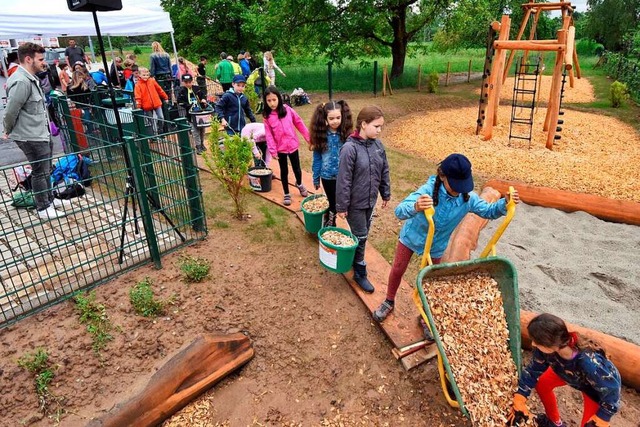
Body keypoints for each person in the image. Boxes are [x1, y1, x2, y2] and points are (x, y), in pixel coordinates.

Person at [372, 153, 519, 323]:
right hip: (412, 237)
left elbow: (488, 211)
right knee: (398, 269)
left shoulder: (467, 198)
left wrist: (504, 203)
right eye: (455, 185)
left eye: (462, 185)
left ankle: (425, 315)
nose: (458, 190)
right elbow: (399, 211)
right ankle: (389, 300)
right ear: (442, 176)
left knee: (431, 279)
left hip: (436, 245)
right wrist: (416, 206)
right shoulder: (428, 190)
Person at [506, 313, 621, 427]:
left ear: (548, 344)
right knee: (542, 383)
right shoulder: (546, 350)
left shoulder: (589, 363)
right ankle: (555, 422)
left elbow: (612, 390)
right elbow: (533, 371)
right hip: (568, 372)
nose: (533, 344)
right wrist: (520, 397)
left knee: (589, 424)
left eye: (536, 341)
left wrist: (603, 418)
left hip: (594, 387)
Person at [3, 43, 70, 220]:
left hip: (41, 131)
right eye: (40, 59)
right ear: (28, 59)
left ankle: (49, 197)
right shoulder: (20, 81)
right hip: (30, 135)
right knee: (40, 170)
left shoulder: (31, 78)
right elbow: (11, 109)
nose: (44, 62)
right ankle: (43, 207)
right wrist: (7, 129)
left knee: (46, 168)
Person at [336, 105, 390, 293]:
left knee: (364, 231)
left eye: (381, 126)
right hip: (355, 204)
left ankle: (353, 258)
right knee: (361, 235)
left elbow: (384, 169)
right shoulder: (349, 149)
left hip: (370, 200)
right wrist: (341, 206)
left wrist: (385, 192)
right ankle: (359, 272)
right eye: (376, 126)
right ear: (363, 124)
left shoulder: (378, 146)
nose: (379, 130)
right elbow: (343, 180)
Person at [263, 85, 310, 206]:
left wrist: (309, 138)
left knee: (297, 169)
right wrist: (273, 150)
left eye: (274, 99)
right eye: (269, 100)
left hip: (293, 146)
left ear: (279, 98)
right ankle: (286, 193)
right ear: (265, 101)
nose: (272, 103)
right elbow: (269, 135)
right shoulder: (267, 117)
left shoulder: (288, 110)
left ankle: (299, 183)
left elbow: (299, 123)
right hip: (280, 149)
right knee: (284, 171)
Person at [310, 100, 353, 227]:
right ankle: (330, 221)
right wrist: (316, 177)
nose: (335, 121)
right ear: (325, 119)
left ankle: (348, 222)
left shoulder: (346, 135)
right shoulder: (321, 135)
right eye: (331, 118)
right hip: (327, 176)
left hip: (343, 176)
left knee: (344, 200)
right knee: (332, 201)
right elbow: (317, 158)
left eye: (338, 117)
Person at [177, 74, 209, 154]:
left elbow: (203, 95)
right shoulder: (181, 91)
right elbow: (180, 101)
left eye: (189, 82)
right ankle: (198, 146)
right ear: (183, 82)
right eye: (186, 82)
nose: (188, 84)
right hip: (191, 114)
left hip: (200, 112)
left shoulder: (196, 88)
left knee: (202, 129)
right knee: (195, 130)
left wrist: (203, 100)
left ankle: (202, 144)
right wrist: (188, 105)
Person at [134, 67, 169, 135]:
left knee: (161, 117)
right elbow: (138, 96)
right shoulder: (138, 85)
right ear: (140, 75)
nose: (145, 77)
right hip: (146, 105)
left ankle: (160, 130)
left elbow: (159, 89)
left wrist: (165, 97)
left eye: (147, 75)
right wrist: (139, 106)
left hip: (156, 102)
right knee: (152, 120)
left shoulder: (152, 81)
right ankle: (155, 134)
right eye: (144, 75)